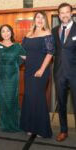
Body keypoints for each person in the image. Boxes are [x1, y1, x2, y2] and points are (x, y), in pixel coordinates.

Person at [20, 11, 54, 138]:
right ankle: (30, 126)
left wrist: (41, 69)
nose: (39, 20)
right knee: (29, 97)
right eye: (37, 17)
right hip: (28, 70)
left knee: (38, 97)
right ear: (34, 20)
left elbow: (50, 53)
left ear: (45, 20)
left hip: (41, 70)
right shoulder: (28, 34)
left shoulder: (47, 34)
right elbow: (23, 53)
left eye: (42, 18)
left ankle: (41, 128)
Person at [0, 24, 26, 132]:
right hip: (0, 77)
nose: (6, 33)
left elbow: (25, 58)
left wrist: (17, 64)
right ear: (0, 34)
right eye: (3, 31)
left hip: (13, 77)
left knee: (12, 100)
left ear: (11, 32)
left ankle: (14, 124)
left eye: (8, 31)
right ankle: (4, 125)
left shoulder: (17, 46)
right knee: (2, 100)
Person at [52, 3, 76, 142]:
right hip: (59, 73)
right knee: (61, 104)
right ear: (59, 15)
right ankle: (63, 130)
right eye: (62, 13)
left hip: (74, 74)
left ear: (71, 13)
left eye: (67, 12)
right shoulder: (55, 31)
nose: (65, 15)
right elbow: (52, 50)